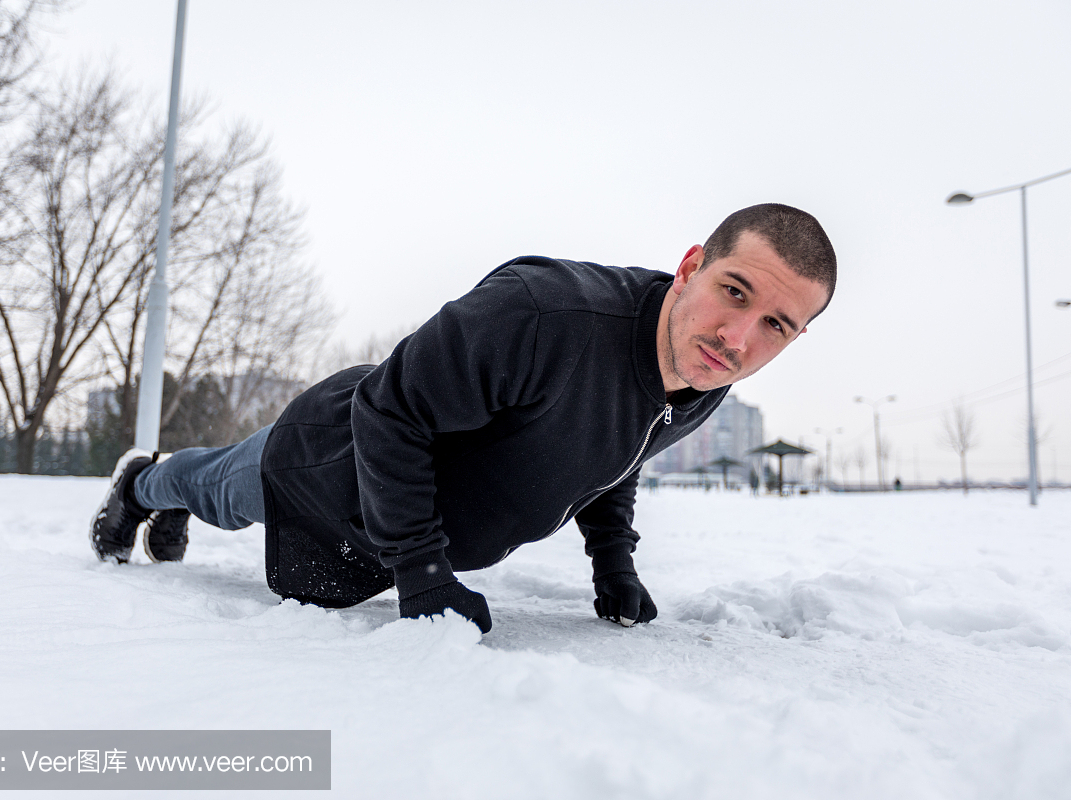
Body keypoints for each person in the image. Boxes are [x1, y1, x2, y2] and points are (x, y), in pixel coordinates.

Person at [91, 203, 836, 634]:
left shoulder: (704, 372)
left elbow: (621, 452)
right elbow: (389, 410)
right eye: (734, 292)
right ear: (691, 264)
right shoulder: (545, 314)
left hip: (401, 525)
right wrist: (420, 574)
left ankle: (164, 484)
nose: (739, 338)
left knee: (222, 486)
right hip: (334, 465)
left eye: (777, 325)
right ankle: (142, 483)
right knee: (218, 488)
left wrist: (614, 564)